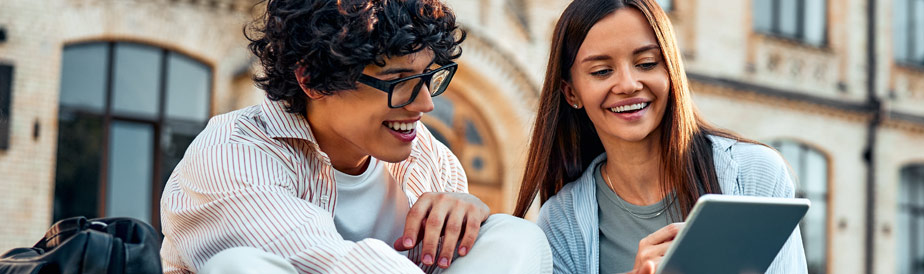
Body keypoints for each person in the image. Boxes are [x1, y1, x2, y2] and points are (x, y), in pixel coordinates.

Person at [158, 0, 550, 273]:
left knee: (514, 237)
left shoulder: (432, 160)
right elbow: (327, 263)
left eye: (430, 77)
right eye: (400, 81)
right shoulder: (231, 153)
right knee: (240, 267)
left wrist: (465, 224)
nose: (425, 105)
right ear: (311, 79)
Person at [511, 0, 808, 273]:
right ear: (572, 92)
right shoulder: (562, 221)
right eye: (602, 71)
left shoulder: (754, 174)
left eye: (647, 64)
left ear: (671, 70)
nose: (628, 84)